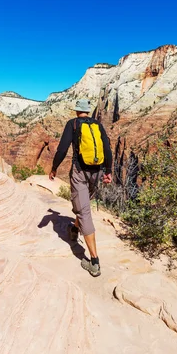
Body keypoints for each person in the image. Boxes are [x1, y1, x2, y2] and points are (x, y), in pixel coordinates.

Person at [49, 98, 112, 277]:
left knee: (84, 212)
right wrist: (108, 170)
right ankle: (74, 229)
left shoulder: (73, 124)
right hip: (97, 172)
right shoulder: (97, 125)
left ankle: (94, 262)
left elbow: (62, 149)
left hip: (80, 172)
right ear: (88, 111)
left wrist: (54, 168)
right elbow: (107, 149)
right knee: (83, 206)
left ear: (77, 111)